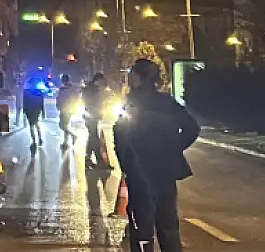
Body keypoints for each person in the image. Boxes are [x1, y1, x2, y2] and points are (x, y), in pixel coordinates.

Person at [113, 58, 199, 252]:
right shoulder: (164, 102)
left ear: (143, 77)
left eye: (133, 73)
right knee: (167, 226)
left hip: (141, 172)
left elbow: (122, 137)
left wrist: (127, 164)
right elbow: (192, 128)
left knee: (142, 229)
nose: (129, 77)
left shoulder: (136, 104)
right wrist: (172, 149)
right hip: (163, 172)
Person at [83, 73, 112, 169]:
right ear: (98, 80)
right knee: (95, 139)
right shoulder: (91, 90)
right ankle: (100, 161)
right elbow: (90, 104)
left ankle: (88, 160)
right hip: (90, 117)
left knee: (93, 139)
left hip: (92, 117)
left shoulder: (93, 89)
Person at [56, 73, 80, 149]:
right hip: (67, 108)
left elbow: (60, 99)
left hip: (66, 109)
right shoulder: (69, 88)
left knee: (62, 125)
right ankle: (65, 142)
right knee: (64, 125)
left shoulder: (65, 89)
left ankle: (72, 136)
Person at [22, 77, 46, 148]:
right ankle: (38, 139)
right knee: (35, 124)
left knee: (32, 125)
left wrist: (24, 110)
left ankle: (35, 140)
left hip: (31, 110)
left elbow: (25, 102)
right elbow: (41, 103)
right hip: (34, 110)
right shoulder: (38, 92)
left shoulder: (26, 92)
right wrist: (43, 111)